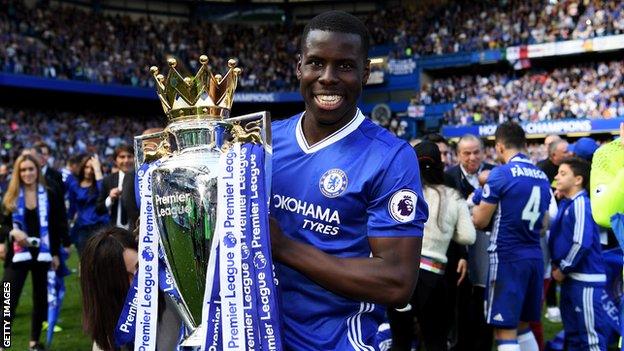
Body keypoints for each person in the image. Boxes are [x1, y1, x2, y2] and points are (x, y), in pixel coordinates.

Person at [269, 11, 428, 350]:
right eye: (316, 63)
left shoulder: (391, 158)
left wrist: (283, 247)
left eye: (344, 66)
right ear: (299, 67)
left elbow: (397, 281)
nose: (327, 77)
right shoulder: (265, 141)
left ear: (365, 73)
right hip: (261, 334)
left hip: (339, 340)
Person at [472, 121, 552, 351]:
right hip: (534, 256)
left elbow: (480, 220)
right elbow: (544, 224)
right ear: (525, 144)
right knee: (523, 326)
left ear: (499, 147)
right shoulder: (541, 176)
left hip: (507, 257)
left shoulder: (501, 174)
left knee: (504, 330)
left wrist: (474, 205)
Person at [388, 141, 475, 351]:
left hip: (399, 275)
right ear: (440, 165)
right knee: (436, 341)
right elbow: (468, 236)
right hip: (434, 278)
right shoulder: (453, 196)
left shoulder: (399, 191)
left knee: (400, 342)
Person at [0, 154, 67, 351]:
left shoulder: (50, 192)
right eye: (23, 170)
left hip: (42, 254)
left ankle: (34, 343)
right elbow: (2, 225)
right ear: (17, 173)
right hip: (17, 254)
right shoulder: (10, 194)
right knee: (7, 298)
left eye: (31, 169)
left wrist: (55, 252)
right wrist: (11, 231)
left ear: (37, 170)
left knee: (40, 298)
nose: (27, 173)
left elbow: (56, 224)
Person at [80, 227, 183, 351]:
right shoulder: (107, 343)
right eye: (126, 277)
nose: (140, 281)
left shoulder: (173, 299)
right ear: (107, 290)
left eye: (140, 267)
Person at [549, 157, 607, 351]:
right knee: (573, 336)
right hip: (572, 279)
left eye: (563, 173)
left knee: (591, 339)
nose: (557, 176)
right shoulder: (568, 203)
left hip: (585, 280)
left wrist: (563, 268)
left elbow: (581, 242)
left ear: (578, 180)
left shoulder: (581, 203)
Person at [445, 133, 495, 351]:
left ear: (484, 152)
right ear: (458, 155)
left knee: (486, 305)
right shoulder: (448, 177)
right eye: (467, 153)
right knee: (461, 307)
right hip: (460, 252)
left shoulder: (495, 173)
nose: (472, 157)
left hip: (489, 249)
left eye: (477, 152)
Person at [67, 154, 109, 255]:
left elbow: (104, 194)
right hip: (83, 228)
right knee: (84, 260)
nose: (89, 171)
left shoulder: (101, 183)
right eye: (86, 167)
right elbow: (72, 208)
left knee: (101, 260)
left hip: (101, 226)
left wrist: (98, 170)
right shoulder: (74, 185)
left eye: (92, 168)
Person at [96, 145, 134, 230]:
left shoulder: (141, 179)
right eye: (122, 157)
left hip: (137, 231)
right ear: (115, 160)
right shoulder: (108, 180)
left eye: (129, 156)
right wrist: (110, 199)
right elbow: (99, 209)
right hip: (115, 231)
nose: (126, 160)